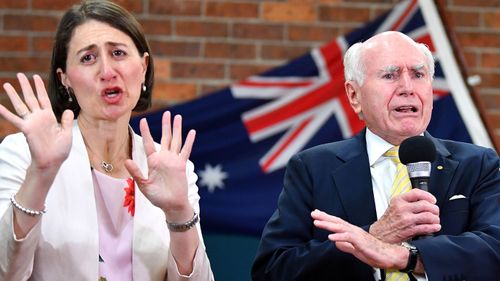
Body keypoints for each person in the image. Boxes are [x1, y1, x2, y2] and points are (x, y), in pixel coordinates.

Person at [252, 31, 500, 281]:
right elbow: (273, 270)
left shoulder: (479, 164)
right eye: (390, 75)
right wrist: (375, 235)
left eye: (418, 74)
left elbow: (495, 251)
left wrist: (406, 257)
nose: (407, 88)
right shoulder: (313, 168)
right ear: (354, 95)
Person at [0, 1, 214, 280]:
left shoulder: (172, 167)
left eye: (118, 53)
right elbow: (6, 272)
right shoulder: (22, 154)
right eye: (87, 58)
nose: (107, 71)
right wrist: (40, 176)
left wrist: (179, 214)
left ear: (143, 66)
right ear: (65, 80)